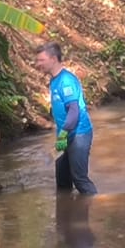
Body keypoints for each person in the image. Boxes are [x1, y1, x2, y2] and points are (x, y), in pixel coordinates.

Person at [34, 42, 97, 194]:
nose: (37, 64)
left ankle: (95, 205)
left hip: (78, 134)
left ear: (53, 59)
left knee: (79, 179)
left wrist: (63, 135)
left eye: (41, 60)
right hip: (63, 135)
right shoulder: (54, 80)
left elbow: (74, 111)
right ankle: (64, 215)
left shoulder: (66, 81)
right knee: (62, 180)